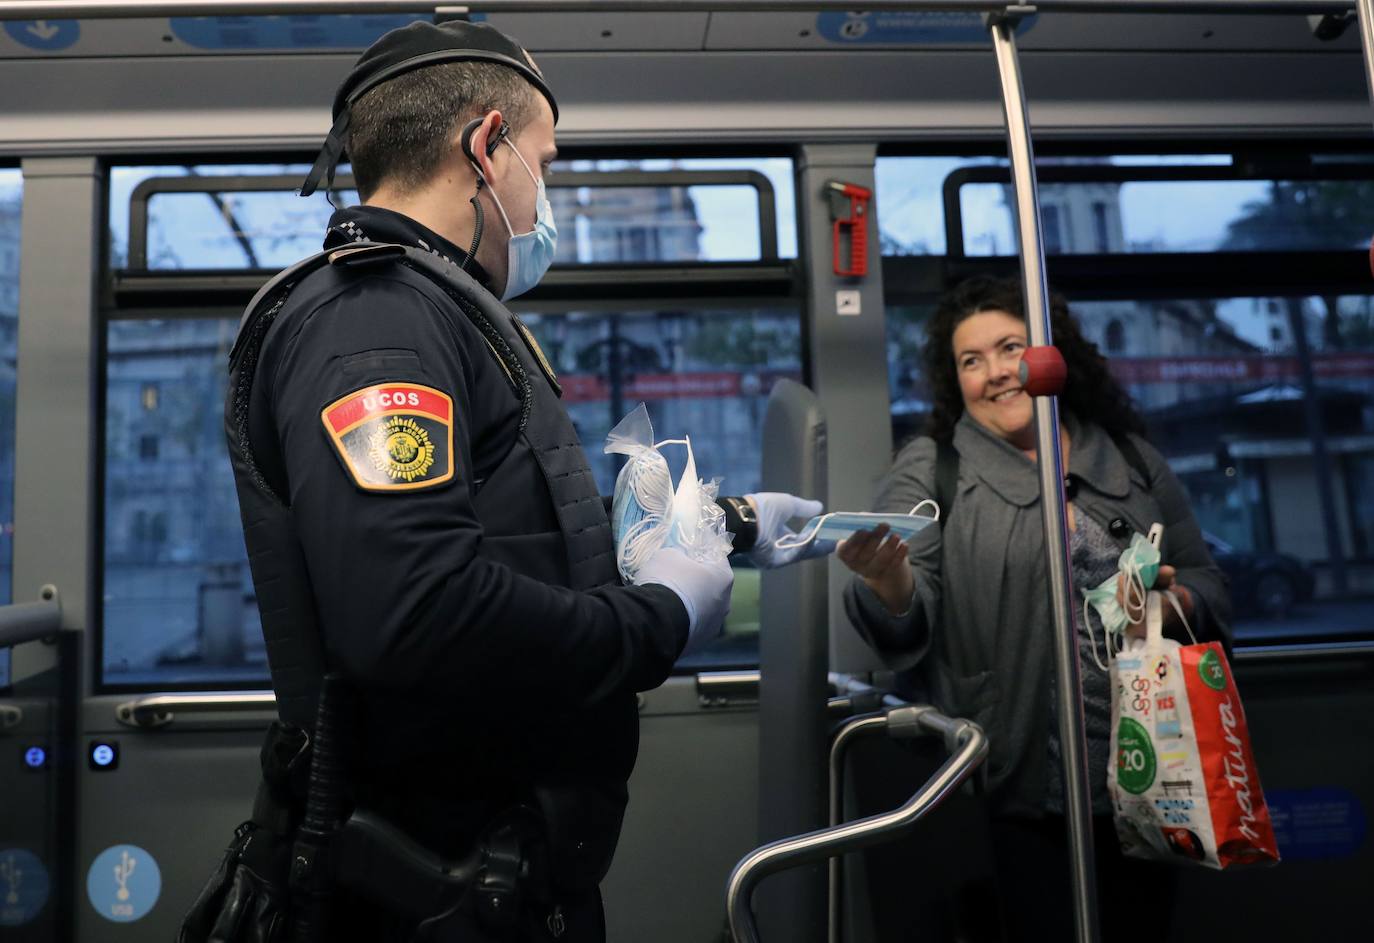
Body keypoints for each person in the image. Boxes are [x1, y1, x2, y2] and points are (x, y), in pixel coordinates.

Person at [221, 19, 826, 942]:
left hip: (495, 874)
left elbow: (521, 538)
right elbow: (417, 611)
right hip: (431, 884)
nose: (545, 193)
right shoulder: (376, 324)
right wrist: (660, 619)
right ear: (484, 145)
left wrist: (723, 527)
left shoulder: (437, 311)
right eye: (543, 161)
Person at [836, 275, 1231, 941]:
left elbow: (1208, 580)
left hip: (1152, 772)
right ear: (952, 379)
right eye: (971, 360)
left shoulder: (1133, 459)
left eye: (1009, 347)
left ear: (1049, 355)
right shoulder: (934, 469)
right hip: (1015, 779)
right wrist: (892, 583)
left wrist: (1173, 602)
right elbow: (908, 599)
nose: (995, 373)